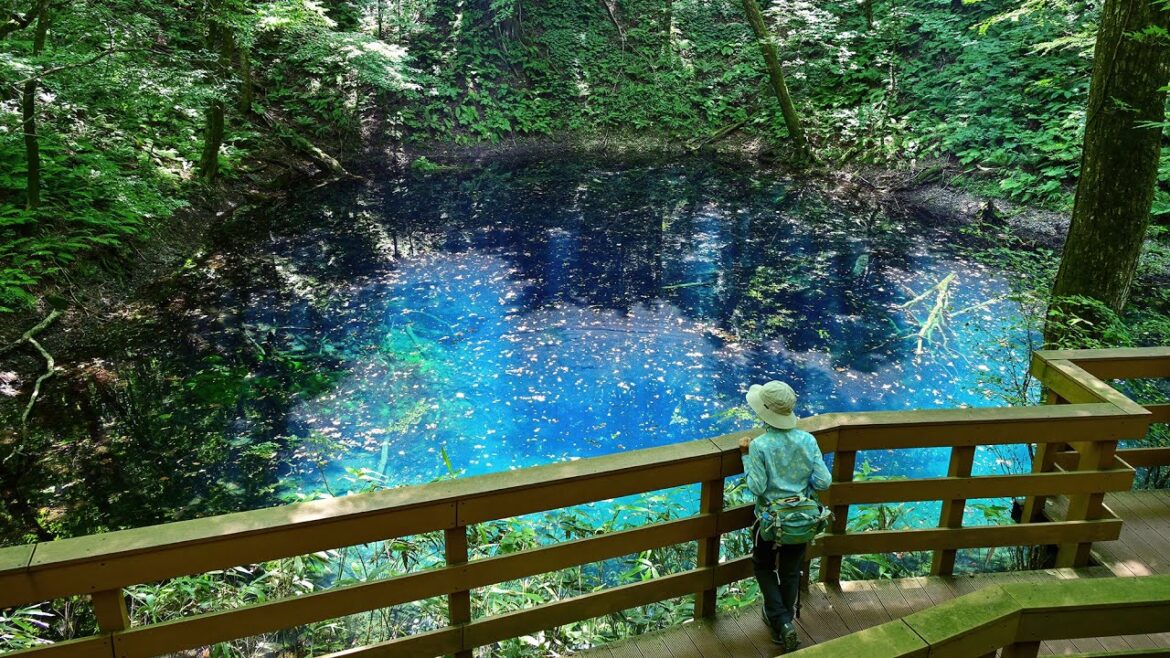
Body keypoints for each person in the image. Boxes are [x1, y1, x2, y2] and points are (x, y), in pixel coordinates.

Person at [739, 380, 831, 652]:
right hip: (800, 521)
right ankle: (784, 622)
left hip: (769, 521)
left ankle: (781, 622)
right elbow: (824, 481)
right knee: (791, 571)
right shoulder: (807, 440)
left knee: (763, 566)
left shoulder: (760, 446)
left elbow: (756, 487)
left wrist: (745, 456)